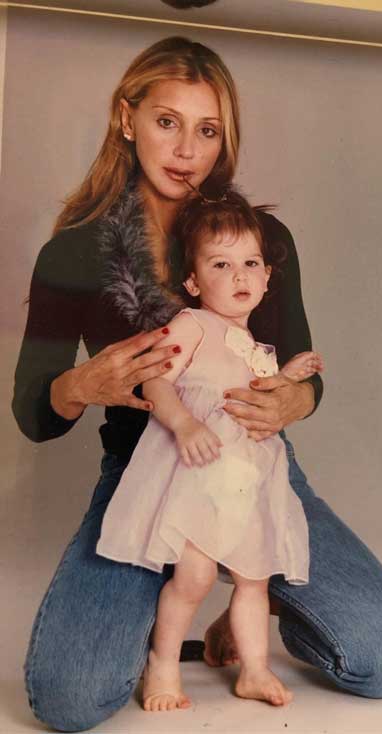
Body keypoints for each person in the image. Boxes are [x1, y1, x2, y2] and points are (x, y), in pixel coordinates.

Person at [12, 36, 382, 733]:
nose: (185, 149)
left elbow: (300, 368)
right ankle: (173, 610)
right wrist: (81, 382)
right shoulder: (75, 251)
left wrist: (297, 397)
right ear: (126, 117)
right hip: (147, 474)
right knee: (69, 700)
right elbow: (35, 411)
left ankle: (248, 603)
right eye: (166, 121)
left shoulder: (257, 237)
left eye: (207, 130)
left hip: (256, 471)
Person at [97, 189, 323, 711]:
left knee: (253, 580)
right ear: (195, 282)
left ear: (267, 278)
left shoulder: (257, 346)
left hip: (250, 480)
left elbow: (262, 394)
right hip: (201, 476)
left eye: (250, 264)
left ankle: (255, 670)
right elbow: (154, 382)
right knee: (194, 577)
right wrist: (182, 424)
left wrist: (288, 377)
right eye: (222, 264)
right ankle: (163, 665)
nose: (240, 276)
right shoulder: (192, 325)